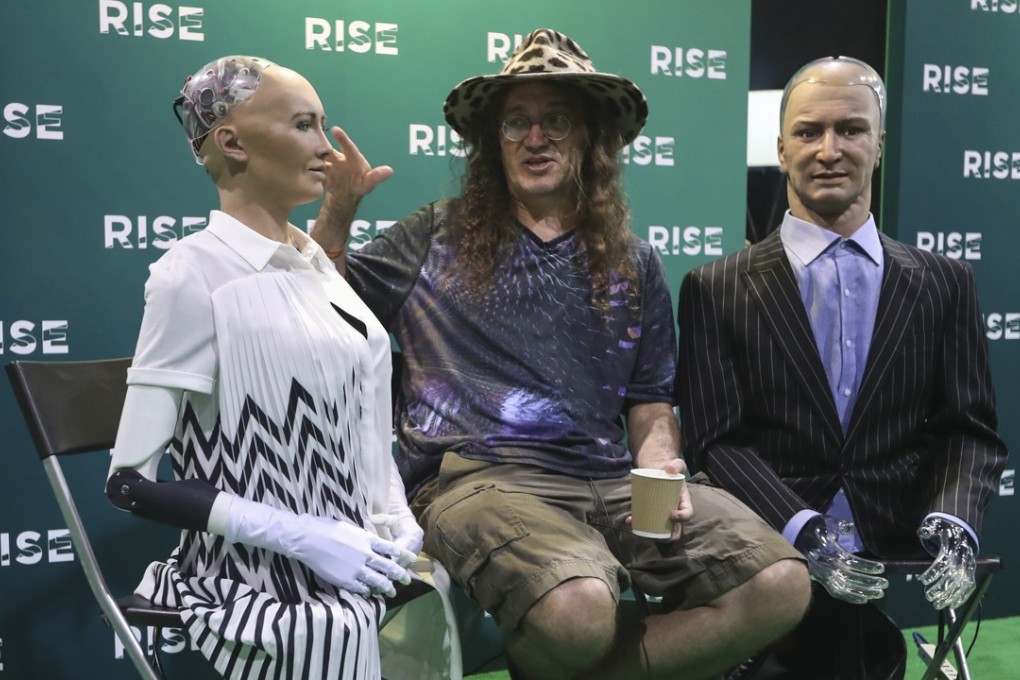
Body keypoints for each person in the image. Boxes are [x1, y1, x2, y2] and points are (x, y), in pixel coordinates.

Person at [311, 28, 810, 680]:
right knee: (578, 608)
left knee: (780, 584)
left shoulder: (634, 259)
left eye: (556, 121)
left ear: (591, 139)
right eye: (516, 122)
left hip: (611, 480)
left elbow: (649, 401)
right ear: (493, 141)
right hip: (479, 478)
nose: (535, 138)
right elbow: (323, 311)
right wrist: (338, 209)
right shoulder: (434, 234)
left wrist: (661, 466)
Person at [675, 56, 1008, 678]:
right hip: (767, 556)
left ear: (879, 144)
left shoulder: (945, 283)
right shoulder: (715, 288)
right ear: (781, 149)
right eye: (808, 132)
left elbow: (969, 430)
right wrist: (803, 530)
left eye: (851, 129)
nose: (829, 150)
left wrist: (955, 519)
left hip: (894, 551)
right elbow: (715, 441)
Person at [105, 55, 424, 679]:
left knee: (424, 615)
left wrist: (396, 517)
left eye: (323, 124)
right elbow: (130, 483)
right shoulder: (191, 273)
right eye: (304, 125)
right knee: (336, 630)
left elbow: (359, 422)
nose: (327, 148)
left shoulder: (317, 268)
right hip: (253, 579)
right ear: (232, 142)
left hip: (355, 559)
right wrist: (303, 536)